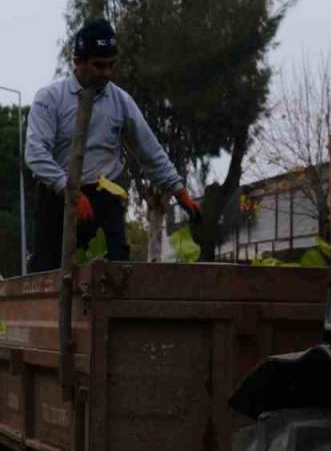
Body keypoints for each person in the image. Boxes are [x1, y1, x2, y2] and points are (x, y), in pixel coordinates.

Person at [25, 18, 201, 272]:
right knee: (48, 273)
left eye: (111, 65)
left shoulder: (121, 101)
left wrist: (181, 193)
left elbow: (150, 151)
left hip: (104, 199)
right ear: (78, 61)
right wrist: (70, 191)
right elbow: (35, 154)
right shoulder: (50, 99)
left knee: (116, 271)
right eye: (99, 65)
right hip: (57, 198)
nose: (106, 73)